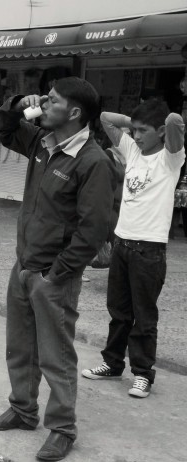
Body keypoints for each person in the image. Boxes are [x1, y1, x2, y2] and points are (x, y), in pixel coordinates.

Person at [0, 77, 115, 462]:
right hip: (23, 265)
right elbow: (3, 128)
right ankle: (22, 411)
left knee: (56, 356)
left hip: (53, 277)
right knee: (19, 347)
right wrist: (20, 101)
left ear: (73, 113)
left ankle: (62, 429)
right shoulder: (42, 141)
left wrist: (57, 273)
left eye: (51, 101)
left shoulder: (92, 162)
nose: (44, 105)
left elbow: (94, 230)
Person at [82, 101, 185, 398]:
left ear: (161, 132)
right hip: (122, 245)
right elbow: (104, 118)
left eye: (143, 130)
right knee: (119, 313)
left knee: (144, 316)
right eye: (134, 130)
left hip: (149, 251)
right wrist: (135, 119)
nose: (136, 135)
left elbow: (176, 120)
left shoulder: (171, 158)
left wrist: (161, 125)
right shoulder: (132, 150)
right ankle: (112, 363)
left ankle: (142, 374)